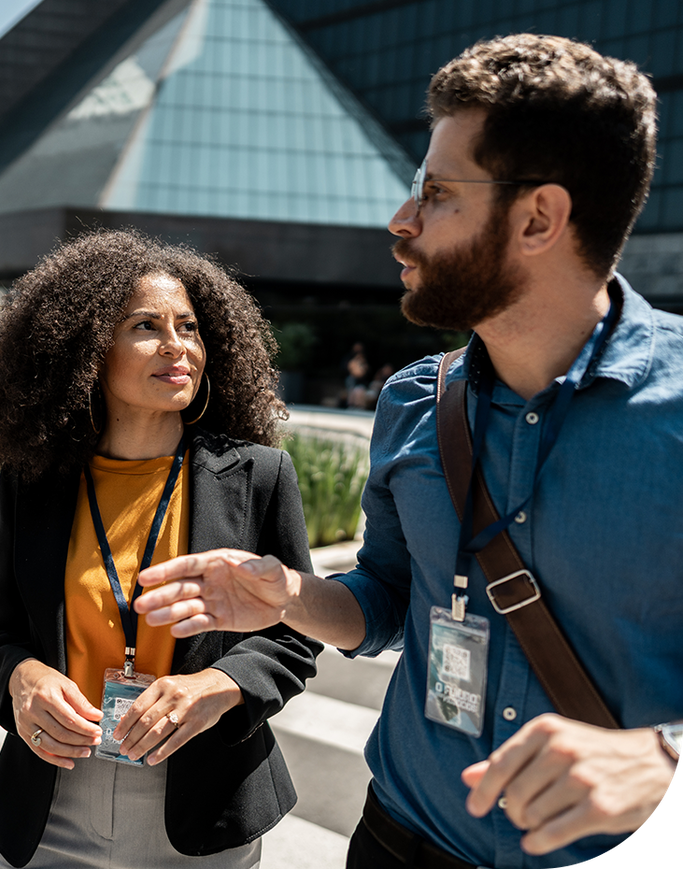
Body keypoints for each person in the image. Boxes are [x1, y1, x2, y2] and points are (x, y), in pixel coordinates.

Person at [134, 34, 681, 868]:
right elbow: (388, 597)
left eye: (436, 193)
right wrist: (286, 595)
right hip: (399, 837)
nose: (401, 221)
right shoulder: (415, 398)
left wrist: (663, 756)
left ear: (539, 218)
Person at [0, 229, 322, 868]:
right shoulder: (35, 481)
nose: (176, 345)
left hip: (203, 806)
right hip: (47, 799)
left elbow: (296, 633)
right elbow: (3, 631)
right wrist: (20, 677)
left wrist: (218, 685)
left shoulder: (259, 474)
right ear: (88, 349)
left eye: (188, 326)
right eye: (146, 326)